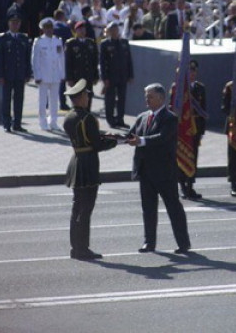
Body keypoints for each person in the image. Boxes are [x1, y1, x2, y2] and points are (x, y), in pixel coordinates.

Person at [127, 83, 191, 254]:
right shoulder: (141, 117)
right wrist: (112, 138)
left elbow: (161, 138)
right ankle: (149, 242)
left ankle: (183, 243)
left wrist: (141, 140)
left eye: (150, 96)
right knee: (148, 208)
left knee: (173, 207)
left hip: (164, 172)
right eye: (146, 96)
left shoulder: (169, 118)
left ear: (161, 98)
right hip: (145, 171)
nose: (146, 99)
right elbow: (131, 135)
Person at [63, 79, 118, 261]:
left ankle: (75, 247)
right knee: (86, 209)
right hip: (88, 164)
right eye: (86, 95)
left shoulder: (70, 116)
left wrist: (103, 135)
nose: (88, 97)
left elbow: (87, 136)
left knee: (76, 208)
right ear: (80, 98)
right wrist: (114, 141)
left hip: (76, 161)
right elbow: (96, 144)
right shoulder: (88, 118)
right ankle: (82, 249)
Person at [169, 59, 207, 200]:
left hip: (195, 129)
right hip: (181, 129)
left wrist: (202, 130)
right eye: (189, 70)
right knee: (181, 156)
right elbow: (171, 108)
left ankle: (190, 185)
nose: (191, 73)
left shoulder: (200, 88)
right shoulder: (177, 88)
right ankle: (183, 186)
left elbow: (203, 110)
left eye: (194, 71)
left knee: (193, 157)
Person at [0, 11, 31, 133]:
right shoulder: (3, 38)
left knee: (19, 99)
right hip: (7, 74)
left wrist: (27, 73)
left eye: (17, 23)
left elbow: (27, 57)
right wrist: (0, 75)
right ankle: (6, 123)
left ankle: (17, 123)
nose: (15, 25)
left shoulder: (24, 38)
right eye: (13, 22)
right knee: (6, 99)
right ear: (9, 23)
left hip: (20, 74)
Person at [32, 17, 65, 132]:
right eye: (46, 28)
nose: (49, 30)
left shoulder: (57, 40)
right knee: (42, 101)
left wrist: (62, 73)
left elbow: (61, 57)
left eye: (50, 28)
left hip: (55, 74)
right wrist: (37, 75)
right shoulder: (39, 41)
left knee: (54, 100)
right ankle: (43, 122)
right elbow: (35, 60)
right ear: (43, 29)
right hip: (43, 75)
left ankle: (53, 122)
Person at [100, 21, 134, 128]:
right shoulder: (105, 44)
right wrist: (104, 77)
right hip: (110, 76)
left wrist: (130, 75)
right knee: (110, 99)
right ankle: (111, 120)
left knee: (122, 99)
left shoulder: (124, 42)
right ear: (109, 32)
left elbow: (129, 60)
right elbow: (102, 62)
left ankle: (120, 119)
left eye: (116, 29)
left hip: (122, 75)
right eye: (112, 30)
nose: (115, 31)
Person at [65, 20, 99, 110]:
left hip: (88, 75)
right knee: (77, 99)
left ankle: (87, 116)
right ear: (76, 31)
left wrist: (96, 76)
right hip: (77, 76)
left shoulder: (90, 43)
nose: (82, 31)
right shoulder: (71, 44)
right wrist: (69, 78)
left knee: (88, 97)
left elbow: (94, 61)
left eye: (84, 29)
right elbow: (68, 62)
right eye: (80, 29)